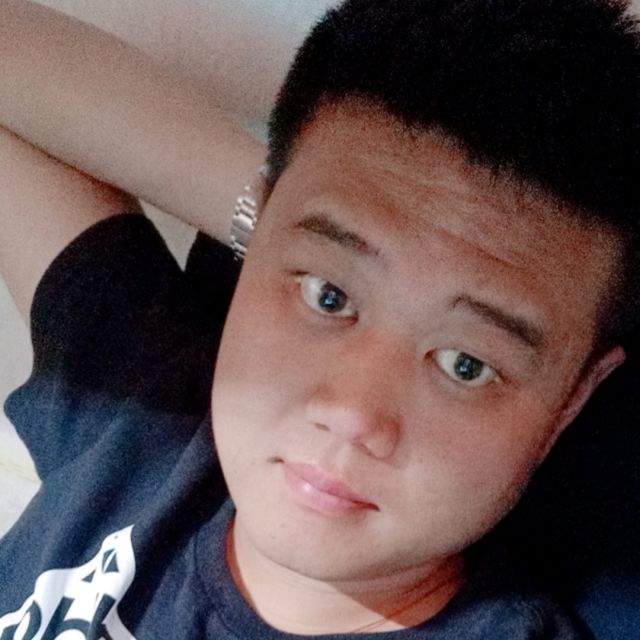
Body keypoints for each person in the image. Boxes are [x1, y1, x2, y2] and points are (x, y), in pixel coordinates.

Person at [0, 0, 638, 638]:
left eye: (465, 365)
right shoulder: (143, 429)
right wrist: (278, 217)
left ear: (572, 400)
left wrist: (320, 244)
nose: (352, 414)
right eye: (328, 297)